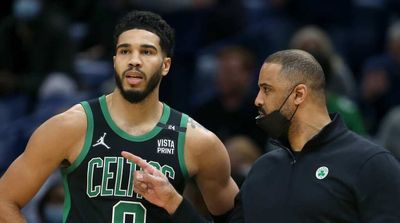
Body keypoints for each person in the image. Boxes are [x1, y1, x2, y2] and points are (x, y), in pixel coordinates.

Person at [0, 10, 238, 222]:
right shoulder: (72, 126)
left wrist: (177, 205)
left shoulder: (196, 141)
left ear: (165, 65)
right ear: (115, 61)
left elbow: (238, 218)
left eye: (146, 51)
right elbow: (4, 201)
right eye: (125, 51)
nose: (134, 60)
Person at [124, 49, 400, 222]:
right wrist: (173, 201)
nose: (257, 99)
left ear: (299, 94)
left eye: (267, 89)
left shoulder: (370, 163)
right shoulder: (264, 169)